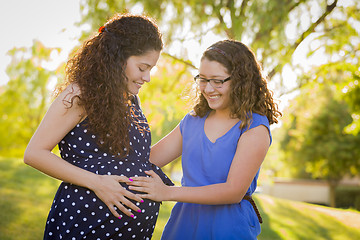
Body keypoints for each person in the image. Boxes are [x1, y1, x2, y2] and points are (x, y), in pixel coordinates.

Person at [24, 13, 172, 240]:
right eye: (142, 67)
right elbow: (34, 153)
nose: (147, 77)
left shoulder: (130, 100)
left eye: (150, 69)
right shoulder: (79, 94)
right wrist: (98, 182)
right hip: (86, 224)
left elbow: (134, 161)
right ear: (118, 57)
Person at [128, 39, 282, 239]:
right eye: (203, 79)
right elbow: (147, 160)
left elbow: (233, 191)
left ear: (241, 80)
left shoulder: (254, 127)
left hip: (228, 228)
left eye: (217, 81)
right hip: (183, 227)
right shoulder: (193, 120)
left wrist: (167, 192)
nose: (208, 89)